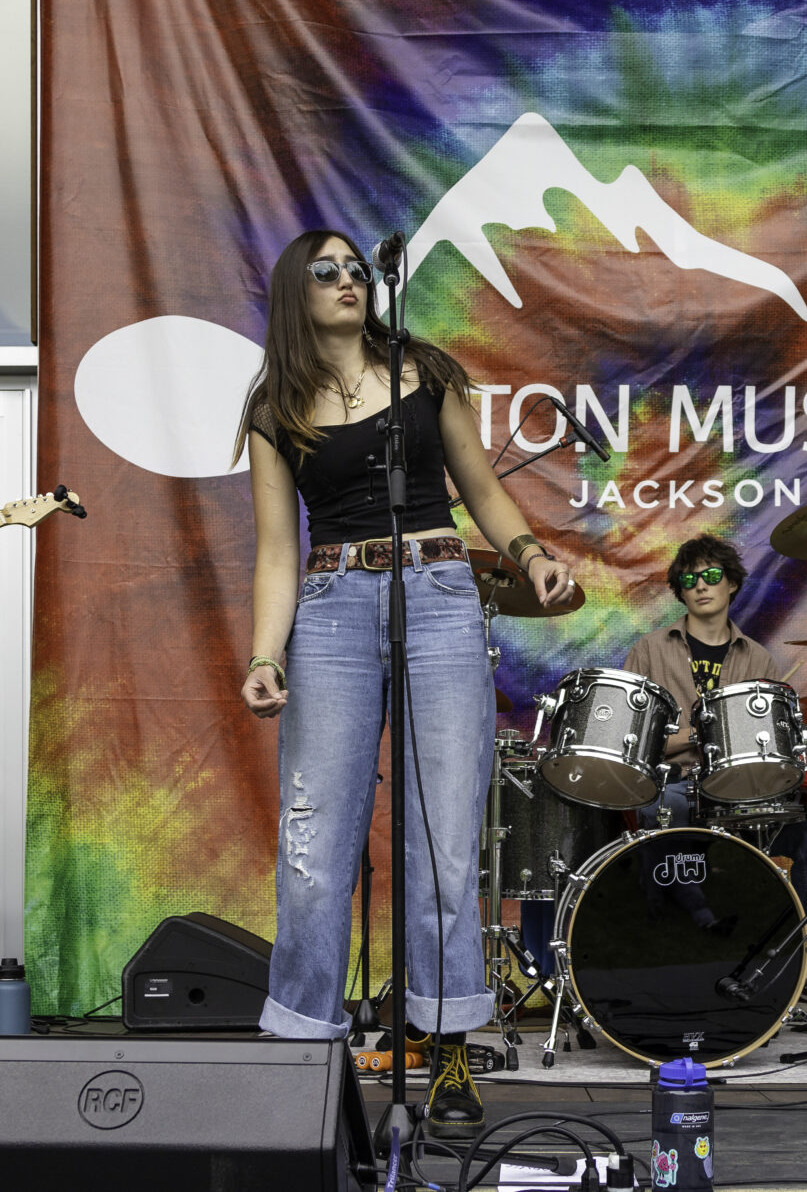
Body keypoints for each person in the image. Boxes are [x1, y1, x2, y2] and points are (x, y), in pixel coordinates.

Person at [235, 229, 572, 1141]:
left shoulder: (426, 372)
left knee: (443, 838)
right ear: (295, 292)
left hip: (438, 593)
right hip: (331, 607)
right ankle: (304, 1045)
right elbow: (277, 551)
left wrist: (531, 553)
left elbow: (481, 490)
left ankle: (449, 1041)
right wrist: (265, 656)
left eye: (356, 268)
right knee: (315, 840)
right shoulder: (275, 407)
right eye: (326, 271)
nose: (348, 280)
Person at [621, 535, 807, 944]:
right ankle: (688, 925)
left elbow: (771, 746)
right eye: (689, 579)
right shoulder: (650, 651)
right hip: (676, 785)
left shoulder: (759, 659)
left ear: (732, 583)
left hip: (745, 794)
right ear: (680, 590)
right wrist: (701, 734)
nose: (700, 586)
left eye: (711, 576)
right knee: (664, 809)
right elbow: (633, 742)